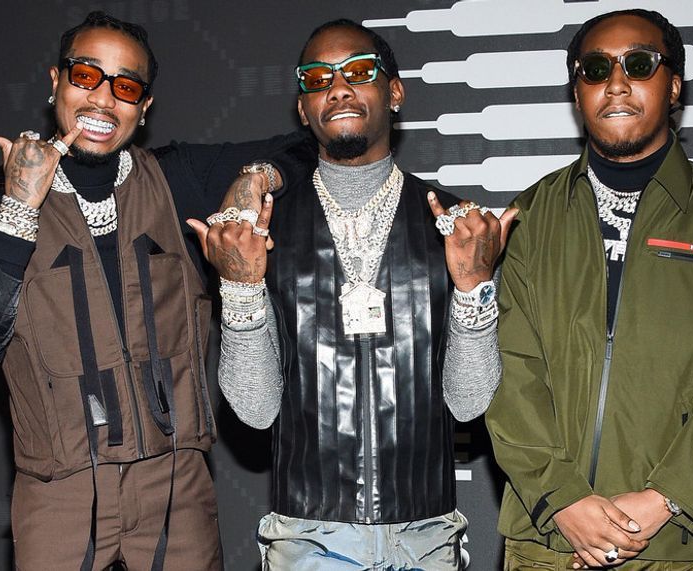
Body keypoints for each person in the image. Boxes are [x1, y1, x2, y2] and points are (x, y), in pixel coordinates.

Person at [0, 11, 303, 570]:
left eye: (125, 86)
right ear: (55, 81)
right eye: (86, 76)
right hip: (58, 495)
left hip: (177, 493)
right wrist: (19, 210)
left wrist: (255, 178)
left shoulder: (177, 178)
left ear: (144, 106)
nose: (104, 100)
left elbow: (307, 150)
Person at [187, 19, 517, 570]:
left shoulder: (457, 226)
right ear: (302, 108)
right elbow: (255, 410)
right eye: (317, 78)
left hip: (426, 535)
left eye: (359, 72)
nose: (337, 88)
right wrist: (240, 287)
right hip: (306, 538)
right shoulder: (265, 232)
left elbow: (469, 401)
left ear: (394, 92)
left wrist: (472, 290)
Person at [486, 9, 693, 570]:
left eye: (640, 64)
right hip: (548, 540)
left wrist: (664, 500)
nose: (618, 83)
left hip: (673, 542)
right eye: (597, 68)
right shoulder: (527, 218)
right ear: (577, 92)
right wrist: (566, 501)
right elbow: (508, 369)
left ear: (674, 85)